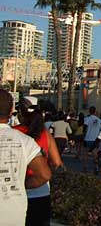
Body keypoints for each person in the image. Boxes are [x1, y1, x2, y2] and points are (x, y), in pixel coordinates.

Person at [0, 90, 52, 226]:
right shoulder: (24, 140)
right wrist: (23, 184)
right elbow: (44, 174)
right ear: (11, 111)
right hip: (13, 215)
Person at [14, 96, 63, 226]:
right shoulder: (45, 134)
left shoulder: (15, 132)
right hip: (42, 191)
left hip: (18, 192)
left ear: (20, 112)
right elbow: (57, 162)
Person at [82, 106, 101, 173]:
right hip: (95, 139)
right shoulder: (99, 120)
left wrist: (83, 135)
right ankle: (96, 167)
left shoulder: (87, 119)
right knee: (95, 154)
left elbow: (84, 127)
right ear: (95, 111)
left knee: (85, 153)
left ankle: (85, 167)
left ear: (89, 111)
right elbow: (100, 129)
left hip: (87, 138)